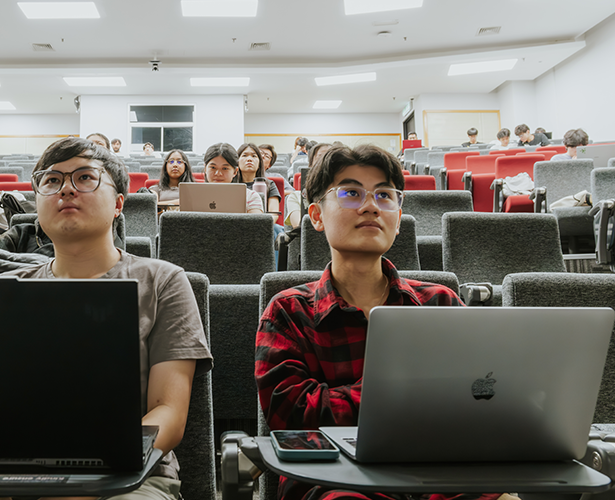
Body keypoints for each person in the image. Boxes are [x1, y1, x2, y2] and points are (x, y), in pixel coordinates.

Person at [255, 144, 492, 500]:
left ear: (398, 218)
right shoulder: (289, 311)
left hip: (441, 473)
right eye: (351, 193)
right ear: (316, 216)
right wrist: (406, 393)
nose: (371, 206)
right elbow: (292, 417)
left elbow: (480, 401)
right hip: (334, 479)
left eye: (384, 195)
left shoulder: (439, 302)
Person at [2, 137, 213, 500]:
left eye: (85, 177)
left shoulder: (162, 282)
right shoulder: (5, 290)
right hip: (14, 468)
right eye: (51, 180)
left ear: (118, 204)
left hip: (129, 474)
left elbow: (168, 413)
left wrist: (81, 481)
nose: (66, 189)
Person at [204, 142, 263, 214]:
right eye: (213, 167)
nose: (218, 173)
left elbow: (257, 220)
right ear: (205, 169)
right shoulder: (193, 195)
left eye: (225, 168)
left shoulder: (250, 197)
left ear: (235, 172)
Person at [237, 143, 281, 215]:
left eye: (254, 156)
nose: (249, 159)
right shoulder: (230, 184)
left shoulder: (269, 184)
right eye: (244, 155)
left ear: (259, 163)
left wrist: (264, 222)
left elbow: (274, 213)